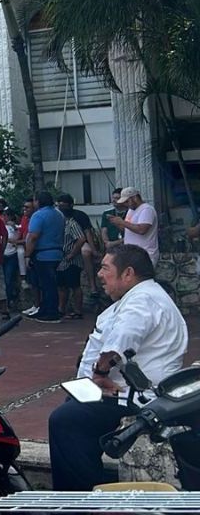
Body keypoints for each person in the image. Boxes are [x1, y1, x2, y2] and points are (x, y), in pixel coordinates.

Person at [49, 244, 188, 491]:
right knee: (72, 413)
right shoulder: (141, 297)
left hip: (136, 399)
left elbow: (121, 342)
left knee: (66, 420)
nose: (99, 274)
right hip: (123, 393)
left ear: (128, 273)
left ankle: (81, 501)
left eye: (105, 268)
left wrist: (100, 373)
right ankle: (89, 491)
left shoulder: (142, 300)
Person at [25, 190, 67, 323]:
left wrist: (27, 255)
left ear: (38, 201)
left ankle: (50, 312)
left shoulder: (38, 216)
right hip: (57, 252)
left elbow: (33, 237)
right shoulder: (59, 214)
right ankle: (45, 309)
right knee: (51, 283)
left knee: (46, 284)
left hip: (43, 253)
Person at [57, 194, 89, 319]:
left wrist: (72, 254)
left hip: (72, 260)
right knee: (61, 286)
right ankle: (61, 309)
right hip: (61, 260)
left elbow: (81, 238)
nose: (61, 208)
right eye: (59, 205)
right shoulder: (59, 223)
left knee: (75, 285)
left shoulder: (72, 223)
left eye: (64, 205)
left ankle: (78, 310)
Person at [110, 187, 158, 265]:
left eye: (127, 201)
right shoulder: (131, 210)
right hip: (131, 254)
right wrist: (117, 223)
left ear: (135, 198)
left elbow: (142, 230)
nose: (125, 204)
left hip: (145, 254)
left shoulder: (146, 209)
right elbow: (128, 229)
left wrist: (122, 222)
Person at [100, 188, 126, 252]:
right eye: (113, 198)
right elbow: (104, 231)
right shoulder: (107, 213)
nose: (114, 200)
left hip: (126, 245)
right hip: (110, 246)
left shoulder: (130, 212)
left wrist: (114, 243)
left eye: (117, 198)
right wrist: (107, 243)